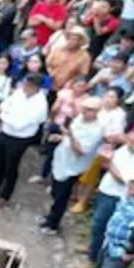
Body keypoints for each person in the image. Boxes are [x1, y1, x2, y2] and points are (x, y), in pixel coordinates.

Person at [40, 94, 106, 233]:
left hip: (73, 166)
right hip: (62, 160)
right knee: (55, 190)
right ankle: (51, 216)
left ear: (96, 112)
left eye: (88, 110)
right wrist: (60, 137)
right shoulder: (79, 120)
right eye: (84, 108)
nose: (84, 112)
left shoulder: (96, 130)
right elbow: (69, 136)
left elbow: (81, 150)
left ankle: (53, 224)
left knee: (61, 197)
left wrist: (70, 135)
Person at [88, 130, 134, 266]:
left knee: (102, 225)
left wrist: (109, 163)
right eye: (129, 140)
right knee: (98, 223)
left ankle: (94, 258)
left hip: (117, 195)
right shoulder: (126, 149)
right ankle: (93, 248)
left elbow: (126, 180)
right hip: (106, 189)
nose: (129, 143)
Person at [0, 73, 50, 205]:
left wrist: (1, 115)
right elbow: (7, 103)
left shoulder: (40, 104)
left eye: (29, 85)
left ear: (36, 87)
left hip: (20, 138)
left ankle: (4, 196)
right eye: (25, 83)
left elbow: (20, 124)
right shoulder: (19, 93)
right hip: (6, 132)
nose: (25, 87)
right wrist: (2, 109)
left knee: (11, 166)